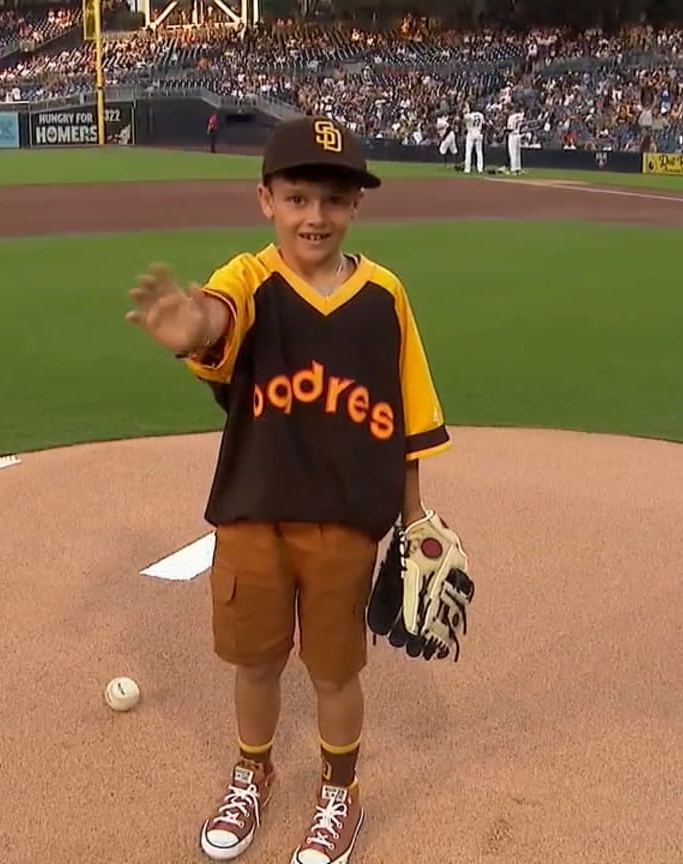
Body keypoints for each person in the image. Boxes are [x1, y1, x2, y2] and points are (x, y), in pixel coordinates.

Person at [123, 115, 457, 864]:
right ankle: (253, 773)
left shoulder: (385, 298)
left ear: (356, 207)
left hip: (345, 521)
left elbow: (407, 418)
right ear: (265, 200)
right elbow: (219, 316)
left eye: (333, 200)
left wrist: (415, 519)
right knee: (257, 662)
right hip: (254, 510)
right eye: (298, 197)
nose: (315, 216)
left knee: (335, 669)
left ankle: (341, 791)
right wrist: (193, 326)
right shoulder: (250, 279)